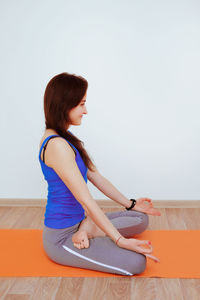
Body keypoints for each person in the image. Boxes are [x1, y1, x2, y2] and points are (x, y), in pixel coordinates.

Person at [39, 72, 161, 276]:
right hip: (62, 238)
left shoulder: (65, 139)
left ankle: (88, 230)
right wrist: (120, 241)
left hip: (81, 222)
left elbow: (97, 177)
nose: (85, 111)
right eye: (81, 104)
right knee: (137, 263)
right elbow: (86, 200)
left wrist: (130, 203)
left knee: (140, 218)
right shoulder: (56, 146)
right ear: (64, 105)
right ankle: (89, 232)